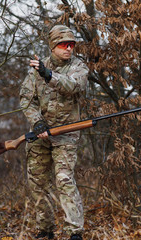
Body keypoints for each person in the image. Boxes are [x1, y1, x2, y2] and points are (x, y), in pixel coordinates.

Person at [20, 24, 88, 240]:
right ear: (53, 46)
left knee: (64, 179)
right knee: (37, 183)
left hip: (66, 135)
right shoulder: (37, 70)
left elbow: (73, 86)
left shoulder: (79, 67)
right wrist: (37, 123)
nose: (68, 48)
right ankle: (45, 229)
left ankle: (74, 232)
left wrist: (48, 74)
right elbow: (26, 99)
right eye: (63, 44)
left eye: (71, 45)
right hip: (40, 136)